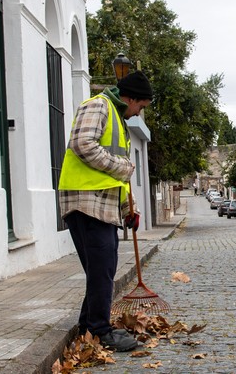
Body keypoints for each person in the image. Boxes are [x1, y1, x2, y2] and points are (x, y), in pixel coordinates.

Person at [58, 70, 153, 352]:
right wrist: (122, 166)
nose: (138, 114)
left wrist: (128, 208)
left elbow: (117, 177)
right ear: (130, 98)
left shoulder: (119, 122)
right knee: (101, 270)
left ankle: (89, 326)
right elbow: (81, 144)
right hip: (85, 200)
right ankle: (100, 331)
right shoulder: (97, 105)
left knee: (103, 270)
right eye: (140, 107)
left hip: (103, 203)